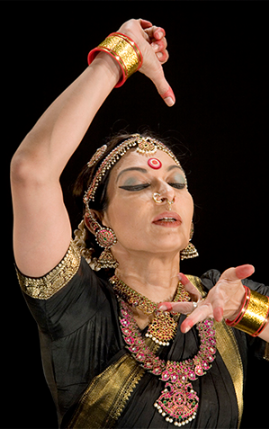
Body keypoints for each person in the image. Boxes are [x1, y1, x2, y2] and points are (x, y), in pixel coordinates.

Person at [10, 18, 269, 429]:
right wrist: (118, 57)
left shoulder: (225, 300)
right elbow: (31, 171)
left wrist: (247, 313)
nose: (166, 192)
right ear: (98, 222)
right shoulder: (79, 309)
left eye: (177, 181)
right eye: (136, 185)